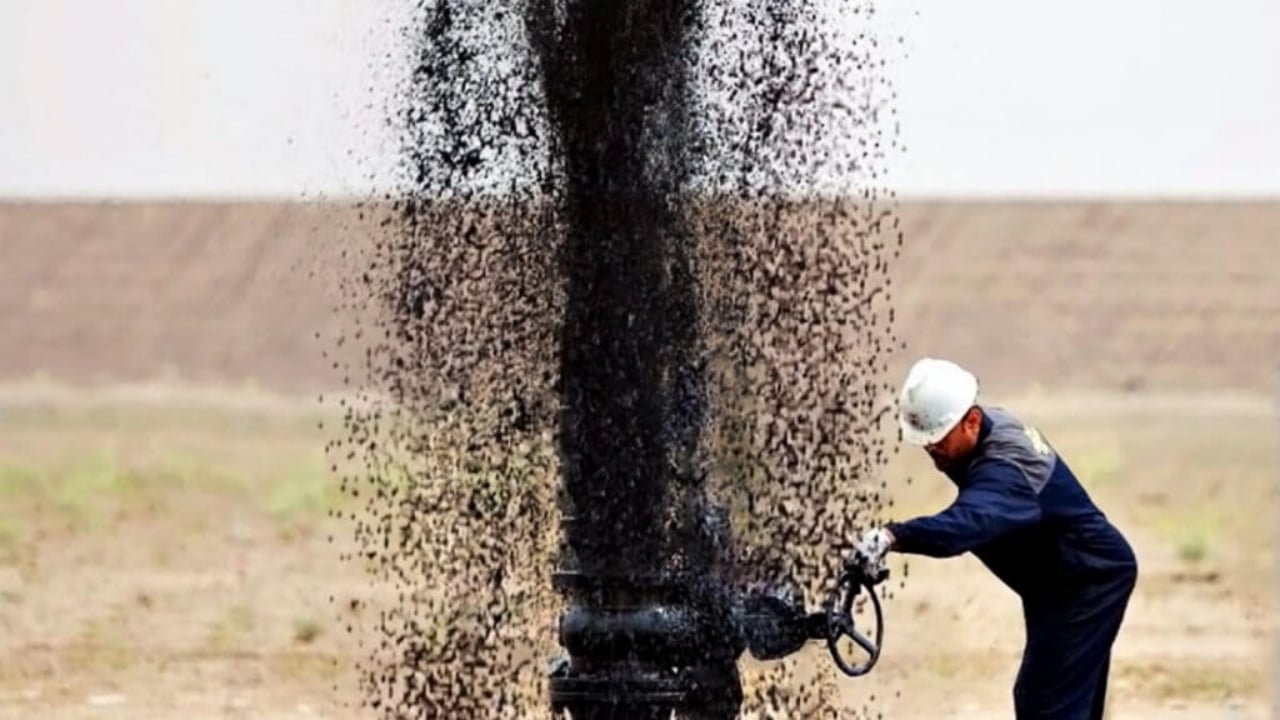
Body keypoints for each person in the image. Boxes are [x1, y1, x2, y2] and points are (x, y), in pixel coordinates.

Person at [849, 357, 1139, 720]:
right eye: (924, 444)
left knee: (1044, 702)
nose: (931, 451)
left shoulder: (1007, 470)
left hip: (1085, 583)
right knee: (1065, 703)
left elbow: (963, 526)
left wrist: (893, 536)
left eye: (937, 441)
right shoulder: (985, 430)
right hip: (1061, 581)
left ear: (971, 421)